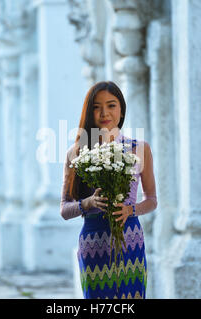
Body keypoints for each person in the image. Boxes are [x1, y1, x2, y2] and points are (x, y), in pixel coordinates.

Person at [60, 81, 158, 299]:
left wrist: (129, 211)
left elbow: (151, 199)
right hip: (93, 242)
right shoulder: (76, 153)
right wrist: (88, 203)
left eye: (111, 105)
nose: (104, 113)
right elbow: (64, 209)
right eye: (96, 106)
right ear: (89, 112)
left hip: (130, 239)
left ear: (121, 109)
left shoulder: (139, 148)